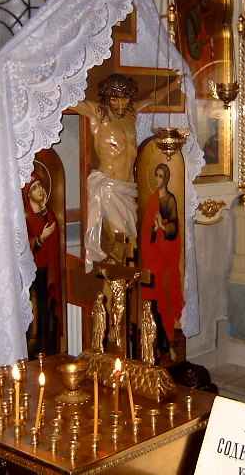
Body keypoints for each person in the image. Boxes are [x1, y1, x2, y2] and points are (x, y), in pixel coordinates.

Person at [74, 74, 178, 271]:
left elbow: (154, 97)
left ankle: (112, 288)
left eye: (124, 98)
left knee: (129, 249)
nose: (120, 104)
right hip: (109, 188)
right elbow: (68, 100)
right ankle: (113, 287)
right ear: (107, 97)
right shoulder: (98, 113)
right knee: (124, 245)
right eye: (115, 99)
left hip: (128, 191)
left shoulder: (132, 112)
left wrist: (175, 84)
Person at [140, 163, 184, 347]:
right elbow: (145, 229)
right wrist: (153, 227)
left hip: (166, 254)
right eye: (155, 175)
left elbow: (174, 228)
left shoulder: (170, 200)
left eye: (160, 176)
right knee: (154, 293)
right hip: (154, 254)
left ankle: (168, 337)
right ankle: (156, 338)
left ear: (166, 179)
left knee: (166, 292)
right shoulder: (152, 200)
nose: (156, 179)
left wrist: (163, 226)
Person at [23, 175, 62, 356]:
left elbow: (54, 240)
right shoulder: (24, 216)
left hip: (48, 274)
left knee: (50, 322)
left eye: (40, 186)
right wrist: (40, 239)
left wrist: (45, 212)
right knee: (35, 324)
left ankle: (50, 359)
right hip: (33, 277)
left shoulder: (48, 213)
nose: (39, 190)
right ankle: (33, 361)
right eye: (34, 187)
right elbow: (23, 246)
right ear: (28, 194)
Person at [184, 0, 214, 75]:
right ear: (200, 0)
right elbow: (190, 42)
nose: (206, 5)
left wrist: (209, 39)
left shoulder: (200, 16)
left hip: (200, 50)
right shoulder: (191, 17)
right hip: (192, 53)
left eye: (208, 3)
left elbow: (203, 32)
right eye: (205, 2)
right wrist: (201, 43)